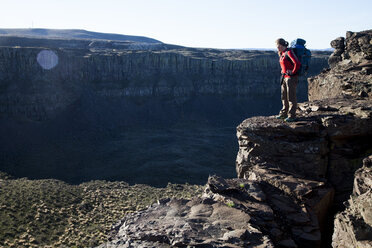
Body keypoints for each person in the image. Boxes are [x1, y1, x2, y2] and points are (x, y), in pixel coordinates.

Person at [275, 38, 301, 122]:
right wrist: (283, 70)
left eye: (278, 45)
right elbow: (285, 65)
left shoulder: (289, 52)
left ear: (282, 45)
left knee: (291, 97)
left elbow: (297, 63)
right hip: (284, 77)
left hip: (291, 78)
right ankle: (283, 113)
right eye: (276, 46)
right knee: (284, 96)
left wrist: (292, 72)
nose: (277, 47)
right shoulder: (282, 53)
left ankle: (292, 116)